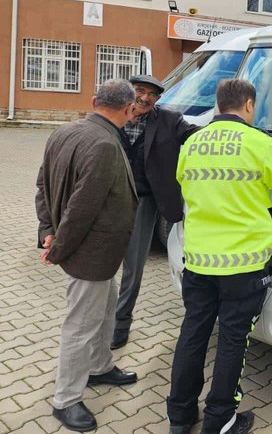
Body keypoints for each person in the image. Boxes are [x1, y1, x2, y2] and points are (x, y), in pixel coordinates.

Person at [167, 79, 272, 434]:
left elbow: (187, 186)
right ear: (248, 105)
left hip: (198, 260)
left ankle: (180, 417)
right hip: (243, 265)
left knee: (193, 333)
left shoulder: (193, 142)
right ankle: (220, 420)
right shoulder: (259, 143)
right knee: (233, 340)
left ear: (218, 104)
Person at [36, 79, 140, 433]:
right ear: (128, 110)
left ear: (95, 100)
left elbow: (42, 186)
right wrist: (57, 244)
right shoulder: (104, 144)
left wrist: (47, 231)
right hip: (88, 252)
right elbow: (83, 206)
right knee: (80, 326)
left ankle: (100, 366)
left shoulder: (63, 132)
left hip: (95, 253)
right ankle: (65, 400)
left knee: (105, 308)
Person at [112, 74, 200, 350]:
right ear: (129, 92)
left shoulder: (169, 120)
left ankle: (120, 324)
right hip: (110, 198)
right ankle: (98, 320)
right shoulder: (113, 116)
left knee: (133, 266)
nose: (146, 97)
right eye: (140, 91)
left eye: (153, 94)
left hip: (145, 201)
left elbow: (194, 135)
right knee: (100, 265)